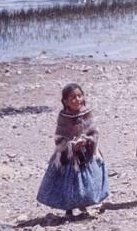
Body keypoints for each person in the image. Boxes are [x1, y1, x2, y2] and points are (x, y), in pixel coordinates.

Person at [37, 83, 109, 219]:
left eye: (79, 96)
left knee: (87, 181)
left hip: (85, 153)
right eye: (73, 98)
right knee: (67, 182)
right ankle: (68, 209)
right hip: (68, 155)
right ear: (65, 101)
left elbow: (94, 132)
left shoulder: (87, 113)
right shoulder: (63, 116)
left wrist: (86, 140)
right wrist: (70, 145)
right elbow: (59, 137)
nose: (77, 99)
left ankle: (84, 204)